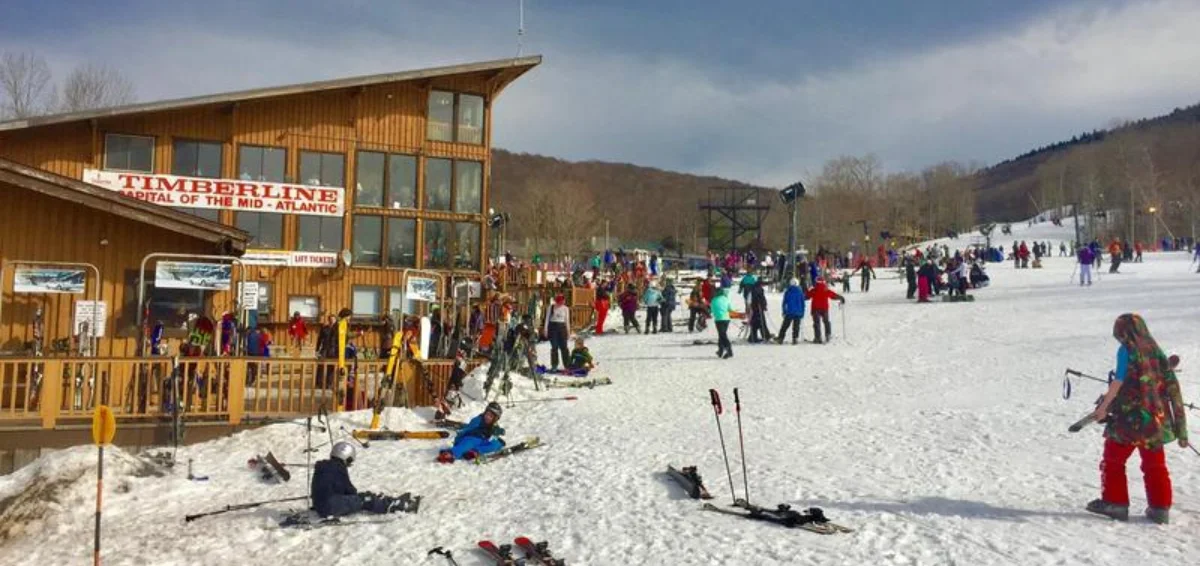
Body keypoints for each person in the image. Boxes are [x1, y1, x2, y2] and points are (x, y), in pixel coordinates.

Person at [1085, 314, 1189, 524]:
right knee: (1155, 464)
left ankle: (1115, 503)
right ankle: (1160, 508)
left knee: (1113, 459)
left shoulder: (1127, 351)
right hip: (1155, 423)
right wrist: (1181, 429)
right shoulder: (1156, 351)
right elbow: (1174, 390)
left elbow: (1118, 383)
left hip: (1128, 422)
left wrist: (1103, 407)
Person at [311, 441, 411, 517]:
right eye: (349, 461)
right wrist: (360, 498)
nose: (348, 464)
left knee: (361, 498)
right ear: (347, 457)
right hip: (331, 507)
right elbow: (348, 489)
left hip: (320, 505)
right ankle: (397, 506)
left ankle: (389, 502)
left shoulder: (323, 466)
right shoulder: (339, 467)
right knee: (366, 499)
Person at [437, 402, 507, 463]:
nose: (487, 417)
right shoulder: (478, 420)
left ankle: (473, 452)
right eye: (487, 414)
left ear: (495, 419)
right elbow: (468, 429)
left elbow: (496, 431)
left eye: (491, 416)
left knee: (495, 444)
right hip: (470, 438)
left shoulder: (494, 424)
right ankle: (450, 453)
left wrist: (498, 432)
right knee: (468, 444)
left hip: (481, 441)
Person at [807, 278, 844, 344]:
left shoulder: (814, 290)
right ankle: (828, 335)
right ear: (824, 282)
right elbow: (833, 296)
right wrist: (840, 297)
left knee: (816, 323)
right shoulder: (826, 290)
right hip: (824, 308)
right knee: (826, 321)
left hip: (815, 309)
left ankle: (818, 337)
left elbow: (807, 296)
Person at [543, 294, 571, 371]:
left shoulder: (566, 308)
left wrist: (568, 331)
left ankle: (567, 365)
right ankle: (554, 365)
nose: (561, 303)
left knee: (564, 347)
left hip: (562, 327)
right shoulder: (551, 307)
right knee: (554, 347)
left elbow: (567, 321)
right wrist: (545, 329)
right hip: (553, 327)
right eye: (560, 301)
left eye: (562, 301)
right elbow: (547, 319)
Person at [775, 278, 806, 344]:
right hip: (798, 312)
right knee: (796, 327)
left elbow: (784, 302)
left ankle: (780, 338)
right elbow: (803, 303)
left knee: (785, 326)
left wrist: (784, 311)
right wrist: (803, 312)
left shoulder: (788, 291)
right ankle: (795, 339)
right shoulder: (800, 292)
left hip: (789, 312)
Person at [711, 286, 733, 359]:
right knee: (721, 334)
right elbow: (730, 309)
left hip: (719, 319)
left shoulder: (714, 300)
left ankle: (729, 350)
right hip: (726, 319)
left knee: (722, 335)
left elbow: (712, 310)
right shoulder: (726, 299)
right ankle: (720, 350)